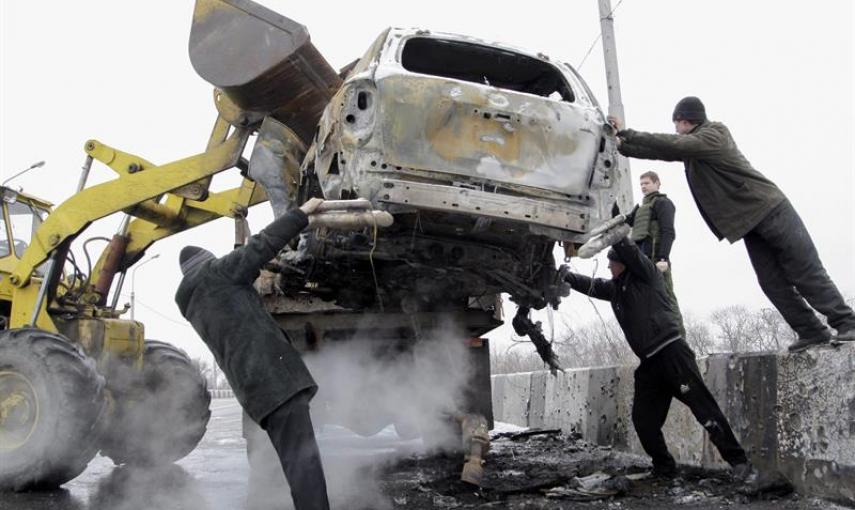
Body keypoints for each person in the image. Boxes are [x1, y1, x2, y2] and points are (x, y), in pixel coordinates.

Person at [610, 97, 855, 352]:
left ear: (685, 121)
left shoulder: (715, 134)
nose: (675, 130)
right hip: (749, 223)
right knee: (771, 282)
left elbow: (673, 144)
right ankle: (811, 330)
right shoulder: (693, 150)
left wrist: (629, 133)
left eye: (677, 124)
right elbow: (662, 150)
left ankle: (847, 321)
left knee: (804, 270)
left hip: (772, 210)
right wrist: (623, 145)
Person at [175, 198, 330, 510]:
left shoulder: (195, 305)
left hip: (258, 393)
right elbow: (261, 245)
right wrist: (301, 214)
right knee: (304, 466)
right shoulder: (217, 274)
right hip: (278, 383)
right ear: (208, 262)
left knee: (297, 464)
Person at [560, 237, 755, 482]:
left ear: (624, 264)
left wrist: (614, 232)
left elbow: (629, 251)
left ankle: (740, 463)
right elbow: (593, 285)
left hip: (672, 354)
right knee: (643, 421)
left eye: (612, 263)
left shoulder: (647, 275)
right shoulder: (616, 289)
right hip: (650, 365)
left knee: (703, 409)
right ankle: (664, 467)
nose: (608, 268)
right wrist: (566, 275)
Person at [627, 171, 683, 328]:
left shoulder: (663, 203)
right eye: (641, 184)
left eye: (647, 183)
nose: (643, 186)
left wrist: (663, 258)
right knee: (646, 305)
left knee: (666, 300)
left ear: (657, 183)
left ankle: (680, 340)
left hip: (656, 261)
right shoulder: (640, 209)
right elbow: (625, 221)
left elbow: (668, 232)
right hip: (641, 261)